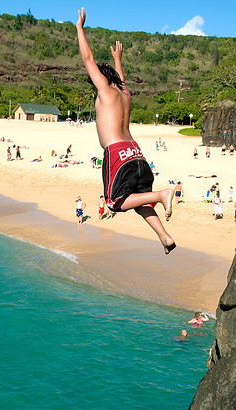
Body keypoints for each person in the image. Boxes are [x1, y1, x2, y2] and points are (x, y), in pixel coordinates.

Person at [77, 8, 175, 253]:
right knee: (138, 198)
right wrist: (118, 58)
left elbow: (88, 60)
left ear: (102, 79)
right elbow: (121, 79)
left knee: (115, 203)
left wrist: (80, 28)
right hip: (137, 154)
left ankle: (163, 194)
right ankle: (164, 237)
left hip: (118, 154)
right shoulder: (124, 93)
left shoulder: (106, 90)